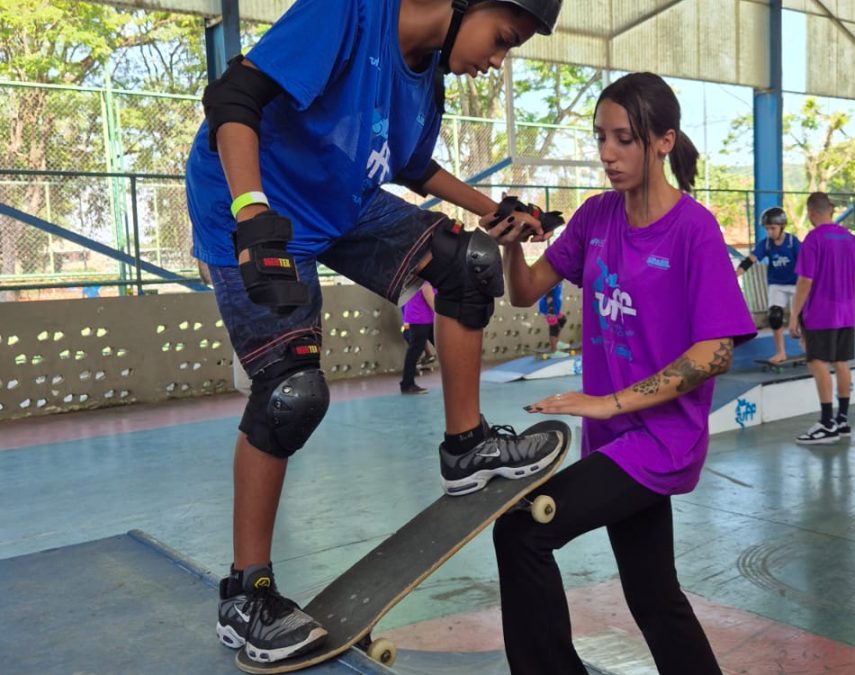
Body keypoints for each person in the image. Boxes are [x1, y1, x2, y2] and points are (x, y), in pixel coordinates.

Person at [185, 0, 570, 664]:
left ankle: (467, 448)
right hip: (248, 203)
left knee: (471, 263)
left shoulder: (427, 76)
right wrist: (251, 213)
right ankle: (246, 597)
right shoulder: (350, 12)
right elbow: (233, 98)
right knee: (290, 393)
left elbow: (412, 165)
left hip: (340, 203)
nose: (497, 61)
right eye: (503, 39)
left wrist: (497, 208)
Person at [489, 72, 755, 675]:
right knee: (653, 595)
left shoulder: (693, 229)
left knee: (524, 529)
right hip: (614, 439)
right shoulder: (596, 216)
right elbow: (526, 291)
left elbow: (715, 352)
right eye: (601, 138)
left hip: (660, 440)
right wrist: (511, 243)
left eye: (624, 139)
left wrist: (608, 402)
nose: (608, 154)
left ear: (663, 141)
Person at [789, 192, 855, 445]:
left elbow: (805, 281)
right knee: (841, 362)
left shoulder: (813, 239)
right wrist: (848, 303)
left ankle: (827, 423)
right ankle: (842, 419)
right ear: (830, 210)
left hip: (821, 313)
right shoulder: (850, 238)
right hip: (846, 311)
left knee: (818, 361)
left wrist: (794, 314)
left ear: (811, 213)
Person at [736, 207, 801, 363]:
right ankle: (781, 352)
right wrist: (736, 274)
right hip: (776, 284)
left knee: (804, 317)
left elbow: (805, 263)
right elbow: (750, 260)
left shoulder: (792, 242)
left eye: (773, 228)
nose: (770, 232)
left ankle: (808, 347)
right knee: (774, 316)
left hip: (796, 283)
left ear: (782, 227)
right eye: (767, 229)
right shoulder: (766, 244)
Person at [400, 282, 436, 394]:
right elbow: (428, 293)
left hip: (425, 318)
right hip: (419, 318)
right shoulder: (426, 280)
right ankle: (407, 384)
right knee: (414, 351)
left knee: (445, 347)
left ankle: (407, 383)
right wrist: (441, 314)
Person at [539, 281, 569, 355]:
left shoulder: (559, 280)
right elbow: (548, 294)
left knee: (562, 320)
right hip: (548, 308)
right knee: (554, 327)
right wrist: (550, 310)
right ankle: (554, 351)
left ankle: (557, 342)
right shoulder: (553, 279)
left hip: (555, 308)